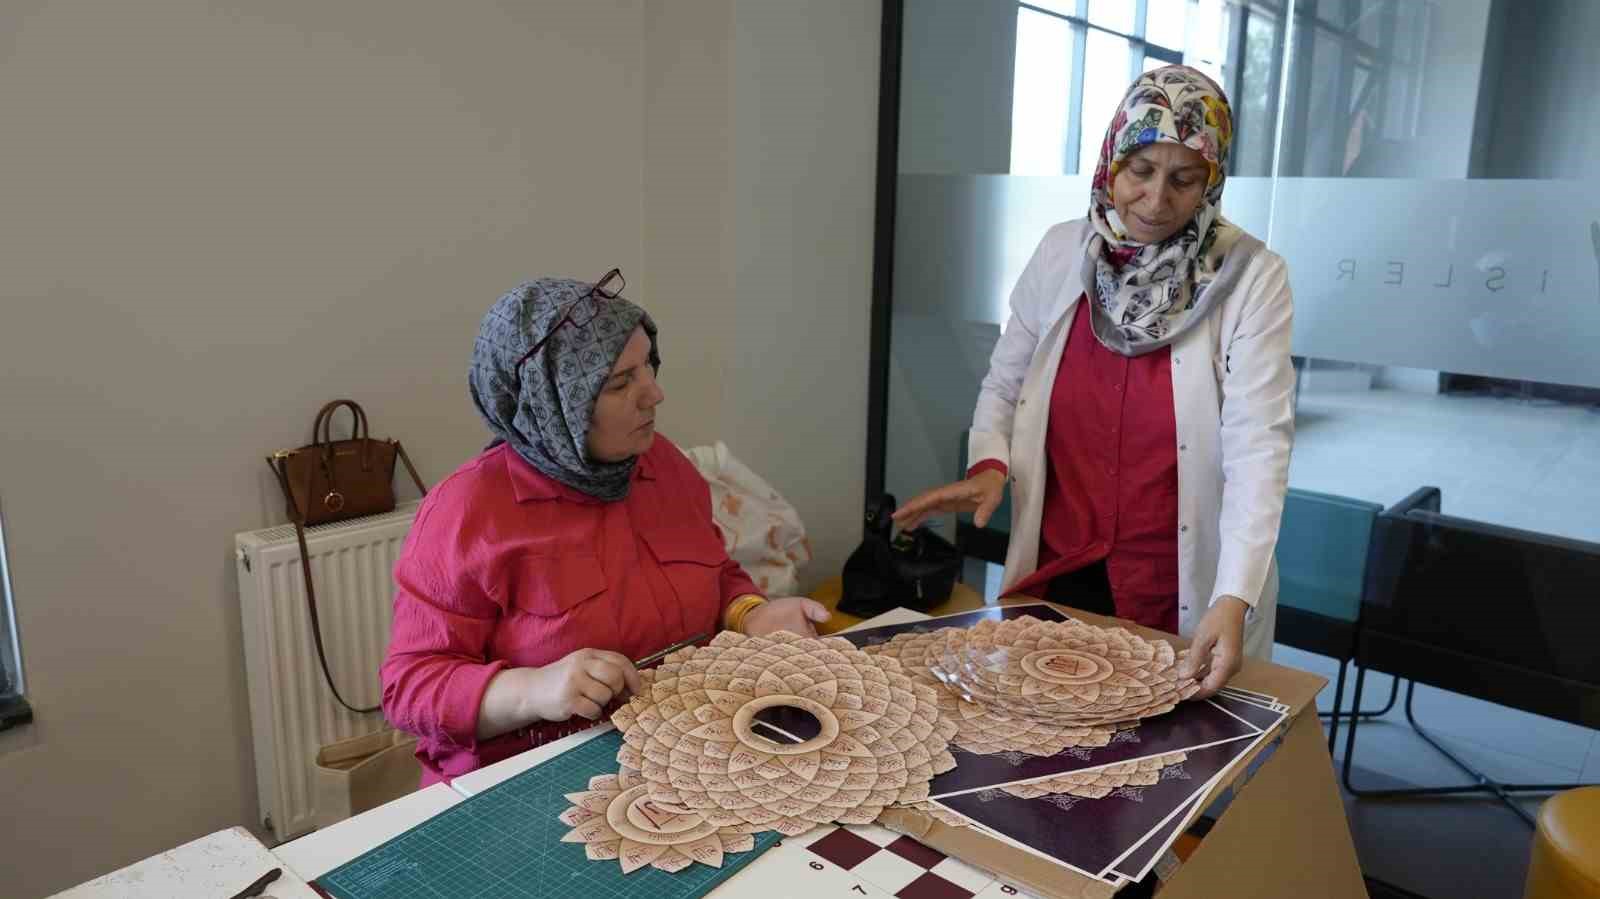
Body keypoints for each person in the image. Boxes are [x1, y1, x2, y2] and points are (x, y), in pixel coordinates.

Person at [893, 66, 1294, 698]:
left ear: (1212, 181)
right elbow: (1005, 384)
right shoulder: (1062, 253)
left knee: (1161, 772)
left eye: (1184, 179)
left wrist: (1233, 595)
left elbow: (1258, 448)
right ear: (1111, 161)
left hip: (1179, 589)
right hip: (1062, 572)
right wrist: (990, 464)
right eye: (1141, 171)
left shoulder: (1249, 278)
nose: (1157, 201)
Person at [381, 271, 829, 784]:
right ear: (551, 407)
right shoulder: (466, 512)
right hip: (522, 779)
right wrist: (534, 689)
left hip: (671, 750)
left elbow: (716, 573)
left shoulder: (664, 465)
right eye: (620, 383)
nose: (654, 394)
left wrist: (752, 614)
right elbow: (409, 689)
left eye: (648, 368)